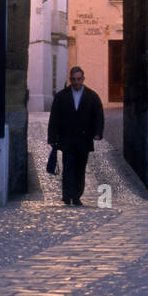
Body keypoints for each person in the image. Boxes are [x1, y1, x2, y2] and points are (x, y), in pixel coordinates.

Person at [47, 67, 104, 206]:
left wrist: (97, 133)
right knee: (68, 167)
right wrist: (52, 138)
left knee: (80, 168)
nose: (76, 82)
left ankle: (77, 195)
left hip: (84, 139)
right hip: (67, 139)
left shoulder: (92, 96)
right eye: (74, 79)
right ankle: (67, 195)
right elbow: (54, 118)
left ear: (83, 79)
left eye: (79, 79)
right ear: (70, 79)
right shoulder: (61, 96)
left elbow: (98, 116)